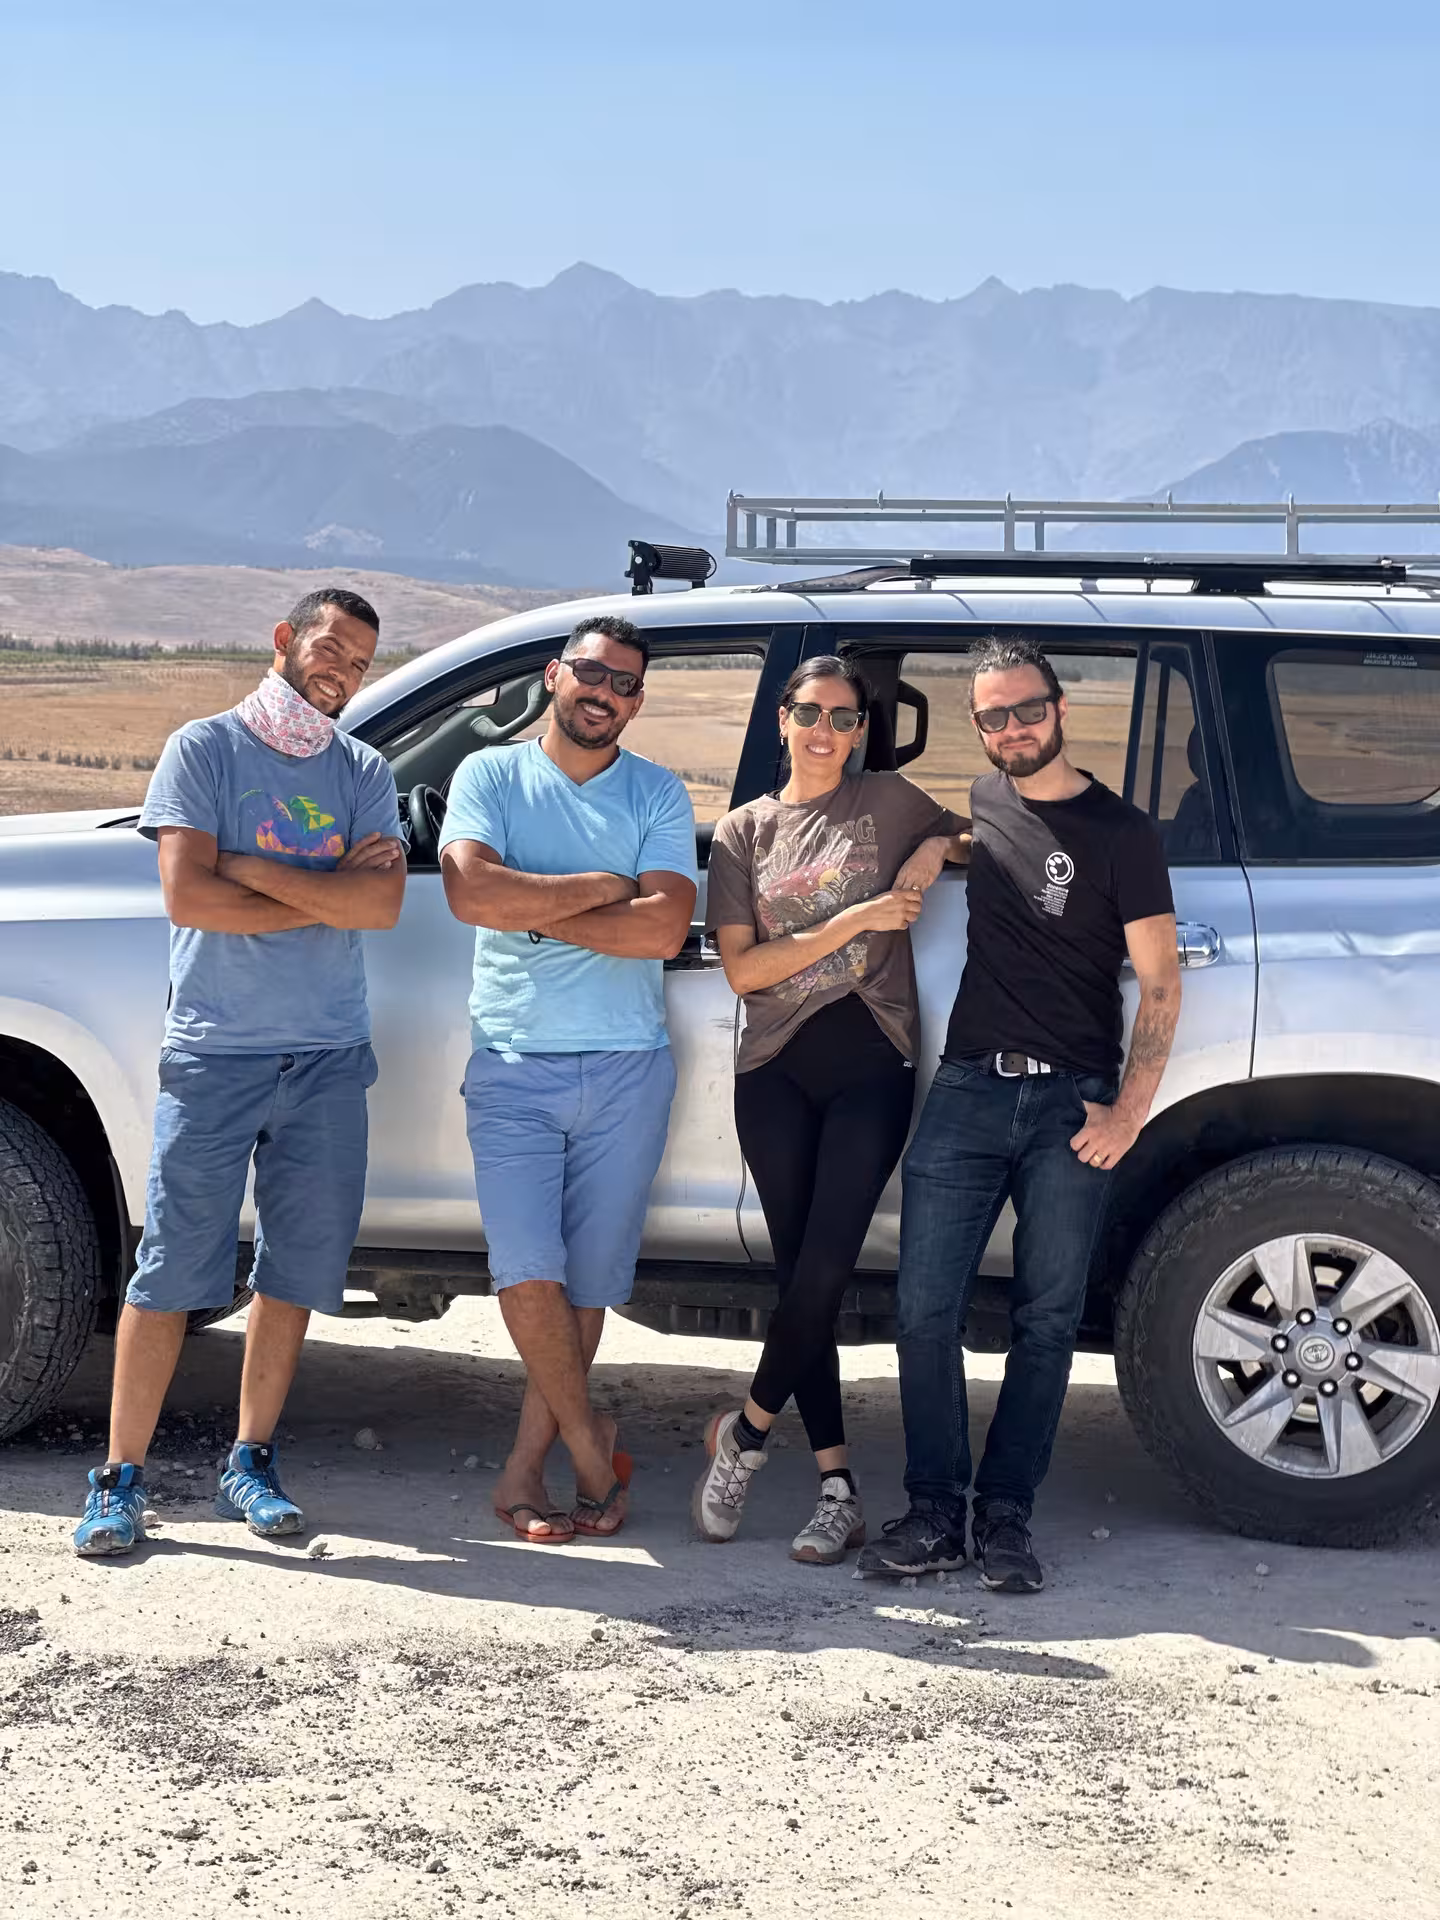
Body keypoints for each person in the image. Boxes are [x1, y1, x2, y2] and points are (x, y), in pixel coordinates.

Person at [73, 589, 406, 1557]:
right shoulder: (204, 750)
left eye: (359, 659)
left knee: (294, 1269)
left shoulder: (365, 770)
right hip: (216, 1053)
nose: (341, 668)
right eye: (330, 646)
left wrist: (249, 867)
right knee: (174, 1268)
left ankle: (248, 1462)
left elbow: (378, 908)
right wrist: (326, 889)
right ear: (284, 641)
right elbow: (188, 893)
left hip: (328, 1059)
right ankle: (118, 1480)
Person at [859, 634, 1180, 1592]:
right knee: (923, 1309)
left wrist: (1126, 1113)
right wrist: (927, 850)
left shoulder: (1124, 835)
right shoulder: (989, 797)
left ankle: (1006, 1520)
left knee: (1045, 1320)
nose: (1012, 729)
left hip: (1071, 1100)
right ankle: (932, 1514)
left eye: (1026, 709)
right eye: (992, 716)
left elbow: (1160, 986)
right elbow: (968, 836)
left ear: (1060, 707)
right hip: (966, 1089)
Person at [692, 656, 969, 1562]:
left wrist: (928, 853)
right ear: (783, 719)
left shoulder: (886, 803)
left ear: (862, 732)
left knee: (826, 1269)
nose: (826, 731)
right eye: (810, 713)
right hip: (772, 1068)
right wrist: (861, 918)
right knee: (796, 1281)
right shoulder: (742, 832)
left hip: (871, 1064)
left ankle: (745, 1433)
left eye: (845, 719)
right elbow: (744, 969)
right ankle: (838, 1488)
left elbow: (968, 830)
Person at [439, 614, 696, 1543]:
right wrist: (601, 886)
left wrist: (532, 907)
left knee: (586, 1284)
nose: (607, 694)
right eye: (592, 674)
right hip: (512, 1059)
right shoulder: (491, 775)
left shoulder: (658, 792)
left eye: (626, 684)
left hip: (629, 1065)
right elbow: (470, 893)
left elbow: (663, 932)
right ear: (555, 676)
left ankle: (529, 1463)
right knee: (525, 1272)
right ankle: (586, 1454)